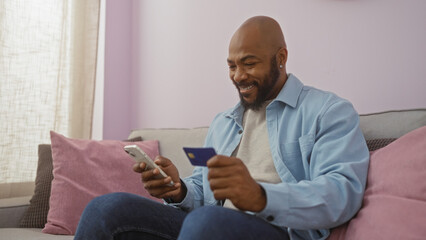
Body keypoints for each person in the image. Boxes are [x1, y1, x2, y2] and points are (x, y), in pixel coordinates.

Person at [74, 16, 369, 240]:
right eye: (232, 66)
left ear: (280, 58)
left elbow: (341, 191)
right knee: (105, 208)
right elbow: (204, 189)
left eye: (249, 64)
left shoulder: (328, 112)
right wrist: (179, 190)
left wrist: (261, 196)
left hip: (279, 230)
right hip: (208, 226)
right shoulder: (224, 122)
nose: (239, 76)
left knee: (205, 222)